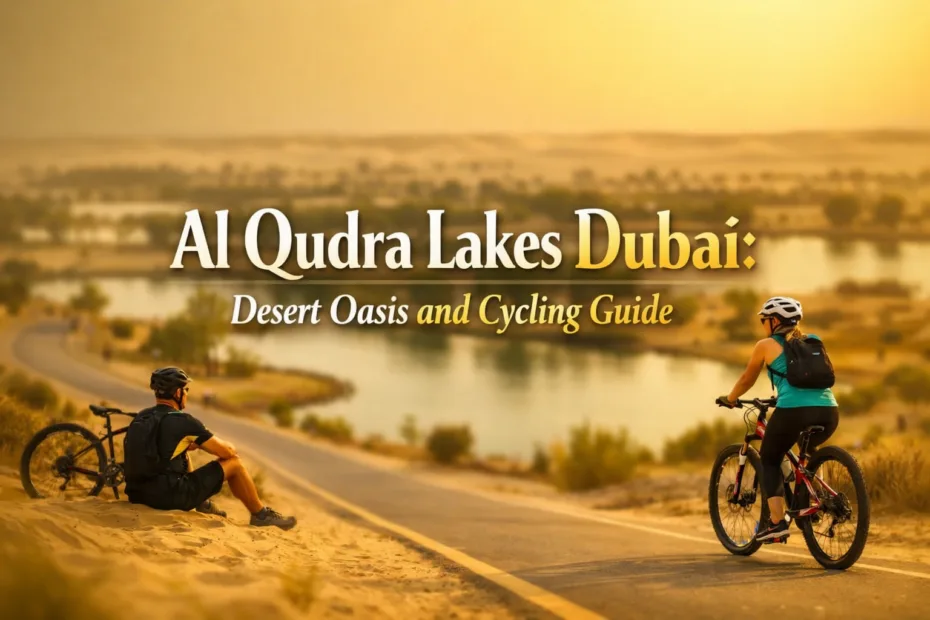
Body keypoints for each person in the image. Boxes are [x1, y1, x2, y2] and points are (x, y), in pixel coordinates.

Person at [717, 296, 838, 542]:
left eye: (764, 320)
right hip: (829, 410)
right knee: (807, 453)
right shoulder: (813, 340)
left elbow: (746, 380)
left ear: (774, 321)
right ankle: (816, 500)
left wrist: (730, 398)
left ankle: (776, 524)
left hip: (793, 410)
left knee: (770, 459)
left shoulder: (765, 345)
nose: (763, 324)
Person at [124, 366, 297, 530]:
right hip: (168, 498)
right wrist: (202, 442)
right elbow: (227, 452)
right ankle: (261, 515)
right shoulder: (184, 421)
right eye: (186, 390)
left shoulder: (142, 416)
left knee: (181, 450)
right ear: (178, 392)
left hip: (137, 494)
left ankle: (202, 504)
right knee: (234, 463)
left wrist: (189, 445)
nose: (186, 394)